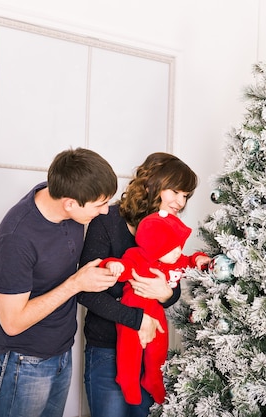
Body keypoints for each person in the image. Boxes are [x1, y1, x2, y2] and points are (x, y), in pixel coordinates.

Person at [0, 147, 120, 417]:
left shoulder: (62, 200)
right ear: (70, 203)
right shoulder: (16, 239)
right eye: (99, 204)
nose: (106, 211)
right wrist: (76, 283)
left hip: (61, 352)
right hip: (24, 363)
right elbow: (12, 324)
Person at [78, 152, 201, 417]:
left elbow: (172, 276)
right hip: (108, 350)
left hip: (150, 351)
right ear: (151, 185)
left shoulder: (169, 227)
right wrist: (137, 319)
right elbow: (86, 292)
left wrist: (168, 294)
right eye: (176, 192)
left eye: (186, 196)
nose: (181, 202)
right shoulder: (107, 221)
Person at [101, 209, 210, 405]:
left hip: (156, 312)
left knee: (159, 349)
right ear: (154, 247)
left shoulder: (175, 261)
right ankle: (127, 379)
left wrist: (199, 259)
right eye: (172, 248)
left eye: (179, 246)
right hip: (132, 310)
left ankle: (153, 378)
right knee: (129, 349)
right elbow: (122, 267)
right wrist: (112, 266)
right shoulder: (137, 257)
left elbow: (191, 261)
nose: (178, 252)